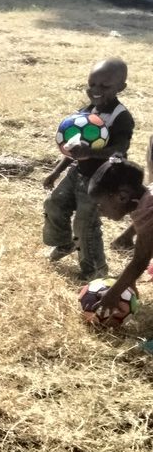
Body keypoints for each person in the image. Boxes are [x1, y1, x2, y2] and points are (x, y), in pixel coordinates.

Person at [43, 58, 132, 281]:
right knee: (54, 204)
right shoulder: (86, 113)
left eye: (105, 86)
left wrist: (90, 152)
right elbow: (75, 149)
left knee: (85, 224)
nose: (96, 90)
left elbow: (120, 149)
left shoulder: (121, 117)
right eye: (92, 84)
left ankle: (95, 271)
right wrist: (56, 171)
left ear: (121, 87)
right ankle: (64, 243)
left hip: (103, 179)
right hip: (79, 172)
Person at [89, 157, 153, 315]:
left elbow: (140, 261)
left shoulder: (149, 211)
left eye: (100, 205)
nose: (99, 212)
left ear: (122, 197)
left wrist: (113, 294)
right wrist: (129, 280)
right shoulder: (146, 201)